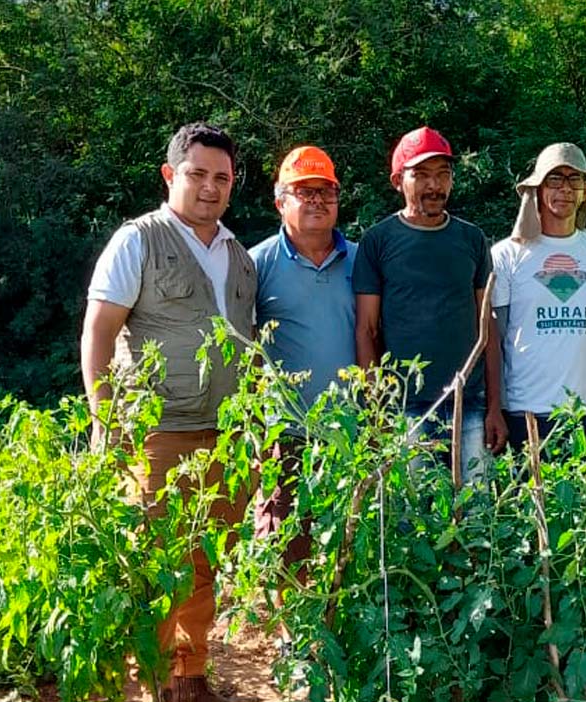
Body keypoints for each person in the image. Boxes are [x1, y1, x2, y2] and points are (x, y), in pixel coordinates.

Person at [81, 122, 254, 702]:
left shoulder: (237, 253)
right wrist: (104, 419)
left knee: (206, 555)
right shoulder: (138, 241)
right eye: (198, 174)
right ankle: (150, 676)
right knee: (154, 558)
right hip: (157, 432)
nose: (210, 188)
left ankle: (189, 671)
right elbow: (99, 333)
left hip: (224, 431)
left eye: (222, 178)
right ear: (170, 175)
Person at [353, 126, 507, 484]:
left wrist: (494, 407)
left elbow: (488, 327)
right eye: (420, 175)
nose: (433, 185)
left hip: (467, 403)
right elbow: (367, 330)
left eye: (442, 174)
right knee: (412, 521)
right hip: (405, 407)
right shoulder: (378, 242)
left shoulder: (471, 239)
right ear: (398, 181)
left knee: (475, 517)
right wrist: (377, 412)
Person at [247, 145, 355, 648]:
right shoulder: (256, 264)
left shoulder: (360, 260)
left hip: (350, 429)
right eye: (304, 191)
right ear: (279, 200)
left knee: (346, 533)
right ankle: (294, 634)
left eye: (326, 191)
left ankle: (337, 628)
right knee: (284, 533)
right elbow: (240, 347)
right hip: (284, 426)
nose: (317, 200)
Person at [491, 142, 586, 453]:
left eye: (575, 180)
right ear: (538, 189)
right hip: (524, 412)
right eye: (554, 179)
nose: (565, 189)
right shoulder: (506, 255)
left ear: (585, 190)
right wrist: (498, 407)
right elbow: (495, 338)